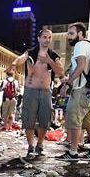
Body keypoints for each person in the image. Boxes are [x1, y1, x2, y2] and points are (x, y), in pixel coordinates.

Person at [9, 29, 64, 158]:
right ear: (39, 38)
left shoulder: (53, 55)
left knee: (45, 120)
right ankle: (30, 146)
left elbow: (61, 71)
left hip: (45, 91)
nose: (47, 40)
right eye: (44, 37)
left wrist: (49, 61)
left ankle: (40, 144)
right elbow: (21, 58)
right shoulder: (31, 52)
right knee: (29, 119)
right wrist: (14, 64)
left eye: (49, 37)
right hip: (30, 90)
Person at [56, 23, 90, 161]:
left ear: (80, 33)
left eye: (71, 34)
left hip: (81, 89)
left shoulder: (80, 45)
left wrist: (67, 85)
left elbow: (81, 66)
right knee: (88, 122)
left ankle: (73, 152)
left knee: (74, 119)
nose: (69, 37)